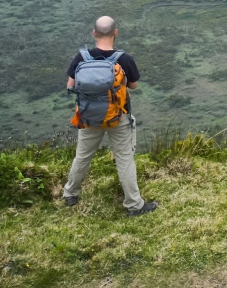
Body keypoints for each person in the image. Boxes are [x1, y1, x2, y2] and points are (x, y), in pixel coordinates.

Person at [61, 15, 158, 216]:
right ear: (115, 33)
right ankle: (134, 205)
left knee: (82, 156)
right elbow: (134, 85)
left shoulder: (81, 58)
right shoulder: (124, 59)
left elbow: (70, 86)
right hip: (118, 118)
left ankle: (70, 194)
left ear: (94, 33)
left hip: (88, 118)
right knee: (124, 159)